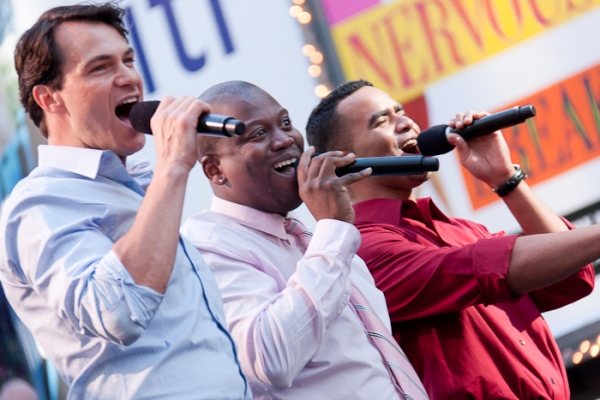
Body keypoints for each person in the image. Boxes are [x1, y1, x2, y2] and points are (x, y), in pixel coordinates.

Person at [0, 4, 250, 399]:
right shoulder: (37, 203)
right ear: (49, 99)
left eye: (128, 60)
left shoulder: (137, 186)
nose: (129, 77)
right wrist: (172, 167)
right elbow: (118, 311)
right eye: (100, 67)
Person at [305, 79, 598, 399]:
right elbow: (488, 267)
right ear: (344, 160)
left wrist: (505, 179)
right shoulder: (362, 252)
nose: (407, 123)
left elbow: (573, 279)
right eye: (383, 121)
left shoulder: (459, 228)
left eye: (400, 112)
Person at [181, 80, 429, 400]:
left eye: (285, 123)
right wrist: (333, 229)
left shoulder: (317, 240)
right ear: (216, 171)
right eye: (258, 133)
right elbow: (269, 360)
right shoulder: (207, 248)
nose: (285, 140)